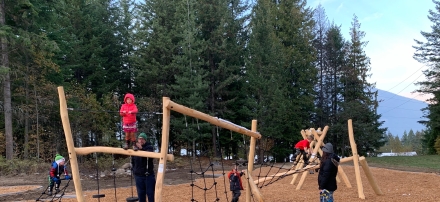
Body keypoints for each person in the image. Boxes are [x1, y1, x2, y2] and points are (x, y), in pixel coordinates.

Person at [132, 133, 155, 202]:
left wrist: (141, 149)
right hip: (138, 176)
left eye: (142, 139)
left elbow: (149, 155)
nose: (141, 140)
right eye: (139, 139)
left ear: (145, 140)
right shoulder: (135, 149)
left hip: (148, 175)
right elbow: (133, 161)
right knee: (141, 195)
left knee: (150, 194)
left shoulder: (149, 147)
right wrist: (134, 171)